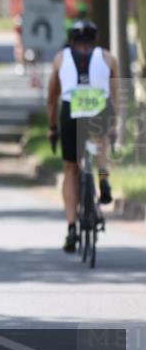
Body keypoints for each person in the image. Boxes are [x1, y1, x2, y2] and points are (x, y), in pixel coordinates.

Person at [46, 19, 119, 253]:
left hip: (71, 110)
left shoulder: (60, 58)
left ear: (71, 39)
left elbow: (52, 97)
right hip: (98, 107)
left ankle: (71, 228)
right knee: (101, 143)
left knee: (70, 169)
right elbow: (116, 95)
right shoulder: (108, 58)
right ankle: (103, 179)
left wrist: (52, 127)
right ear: (95, 39)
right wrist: (114, 125)